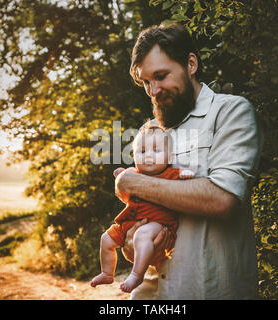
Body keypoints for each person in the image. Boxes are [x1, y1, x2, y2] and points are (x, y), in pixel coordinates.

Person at [114, 23, 263, 299]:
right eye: (146, 81)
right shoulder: (153, 135)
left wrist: (132, 182)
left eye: (161, 76)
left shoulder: (230, 112)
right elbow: (130, 242)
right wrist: (135, 241)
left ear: (191, 64)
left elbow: (223, 198)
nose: (153, 90)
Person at [90, 124, 194, 293]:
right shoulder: (134, 173)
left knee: (142, 234)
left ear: (169, 157)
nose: (148, 156)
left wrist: (184, 174)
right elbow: (124, 182)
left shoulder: (170, 173)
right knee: (106, 239)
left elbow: (183, 177)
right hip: (129, 221)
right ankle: (107, 272)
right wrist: (121, 174)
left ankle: (137, 274)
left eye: (156, 151)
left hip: (158, 223)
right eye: (142, 151)